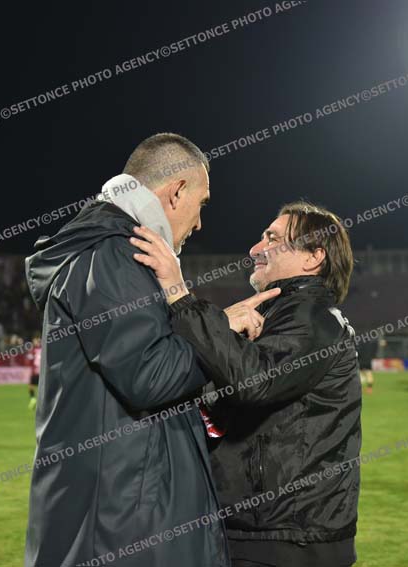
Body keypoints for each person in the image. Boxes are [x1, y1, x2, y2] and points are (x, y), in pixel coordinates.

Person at [23, 133, 230, 567]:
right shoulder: (113, 253)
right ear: (177, 192)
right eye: (202, 203)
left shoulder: (111, 248)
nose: (199, 223)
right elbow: (151, 376)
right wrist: (223, 332)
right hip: (123, 520)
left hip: (120, 508)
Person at [131, 201, 362, 567]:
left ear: (313, 257)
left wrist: (178, 293)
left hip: (288, 540)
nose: (256, 248)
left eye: (273, 239)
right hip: (267, 532)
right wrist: (221, 325)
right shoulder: (280, 315)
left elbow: (254, 382)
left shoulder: (311, 317)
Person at [26, 334, 41, 410]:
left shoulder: (33, 350)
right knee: (41, 387)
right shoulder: (45, 349)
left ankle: (33, 398)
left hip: (35, 371)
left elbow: (29, 360)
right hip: (42, 372)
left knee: (31, 386)